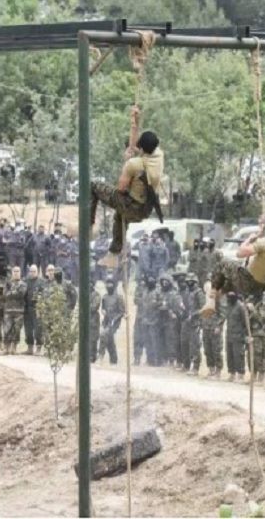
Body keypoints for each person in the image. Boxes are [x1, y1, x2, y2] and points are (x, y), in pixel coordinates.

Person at [90, 120, 164, 265]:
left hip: (131, 205)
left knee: (93, 186)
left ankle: (89, 224)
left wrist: (126, 162)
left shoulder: (133, 164)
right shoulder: (159, 156)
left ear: (141, 148)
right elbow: (134, 146)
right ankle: (113, 254)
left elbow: (121, 188)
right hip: (145, 209)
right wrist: (134, 124)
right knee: (120, 216)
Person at [201, 215, 265, 317]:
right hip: (260, 285)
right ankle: (213, 301)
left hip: (246, 279)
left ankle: (212, 294)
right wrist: (260, 232)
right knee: (226, 284)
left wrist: (249, 239)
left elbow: (239, 253)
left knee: (223, 263)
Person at [181, 274, 204, 375]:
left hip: (195, 323)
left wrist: (194, 315)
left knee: (194, 346)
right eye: (188, 281)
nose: (189, 283)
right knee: (184, 343)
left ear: (195, 282)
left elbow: (203, 309)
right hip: (187, 322)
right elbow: (186, 307)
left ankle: (195, 368)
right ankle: (186, 365)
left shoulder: (199, 293)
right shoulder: (188, 292)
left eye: (191, 281)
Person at [98, 279, 124, 365]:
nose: (109, 286)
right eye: (108, 284)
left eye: (111, 284)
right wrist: (103, 311)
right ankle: (113, 359)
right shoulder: (105, 297)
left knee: (104, 335)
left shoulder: (118, 297)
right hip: (106, 321)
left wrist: (114, 319)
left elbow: (121, 312)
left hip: (114, 322)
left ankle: (101, 355)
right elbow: (103, 308)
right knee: (109, 339)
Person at [1, 266, 27, 355]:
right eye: (14, 271)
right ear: (12, 273)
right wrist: (13, 292)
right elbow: (4, 295)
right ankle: (6, 348)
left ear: (20, 273)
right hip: (8, 310)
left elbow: (21, 294)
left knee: (17, 330)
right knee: (6, 330)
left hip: (19, 311)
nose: (16, 273)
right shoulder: (7, 283)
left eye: (18, 271)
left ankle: (14, 348)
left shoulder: (23, 284)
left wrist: (11, 291)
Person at [224, 291, 248, 381]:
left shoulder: (241, 306)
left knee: (238, 355)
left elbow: (245, 322)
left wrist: (244, 334)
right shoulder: (228, 305)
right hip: (229, 334)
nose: (230, 297)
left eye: (232, 295)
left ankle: (240, 374)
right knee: (229, 355)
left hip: (238, 336)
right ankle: (232, 373)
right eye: (229, 295)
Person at [201, 288, 225, 379]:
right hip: (206, 329)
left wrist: (218, 326)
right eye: (209, 292)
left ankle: (218, 372)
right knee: (208, 350)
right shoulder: (205, 302)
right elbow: (202, 314)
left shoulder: (219, 303)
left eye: (213, 293)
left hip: (215, 330)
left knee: (216, 350)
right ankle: (211, 370)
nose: (211, 294)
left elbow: (223, 315)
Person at [23, 265, 44, 355]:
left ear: (37, 272)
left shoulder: (41, 282)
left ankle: (38, 347)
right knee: (28, 329)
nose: (32, 273)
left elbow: (44, 294)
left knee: (38, 329)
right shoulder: (25, 281)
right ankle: (30, 347)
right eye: (31, 271)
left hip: (37, 308)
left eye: (34, 271)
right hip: (27, 308)